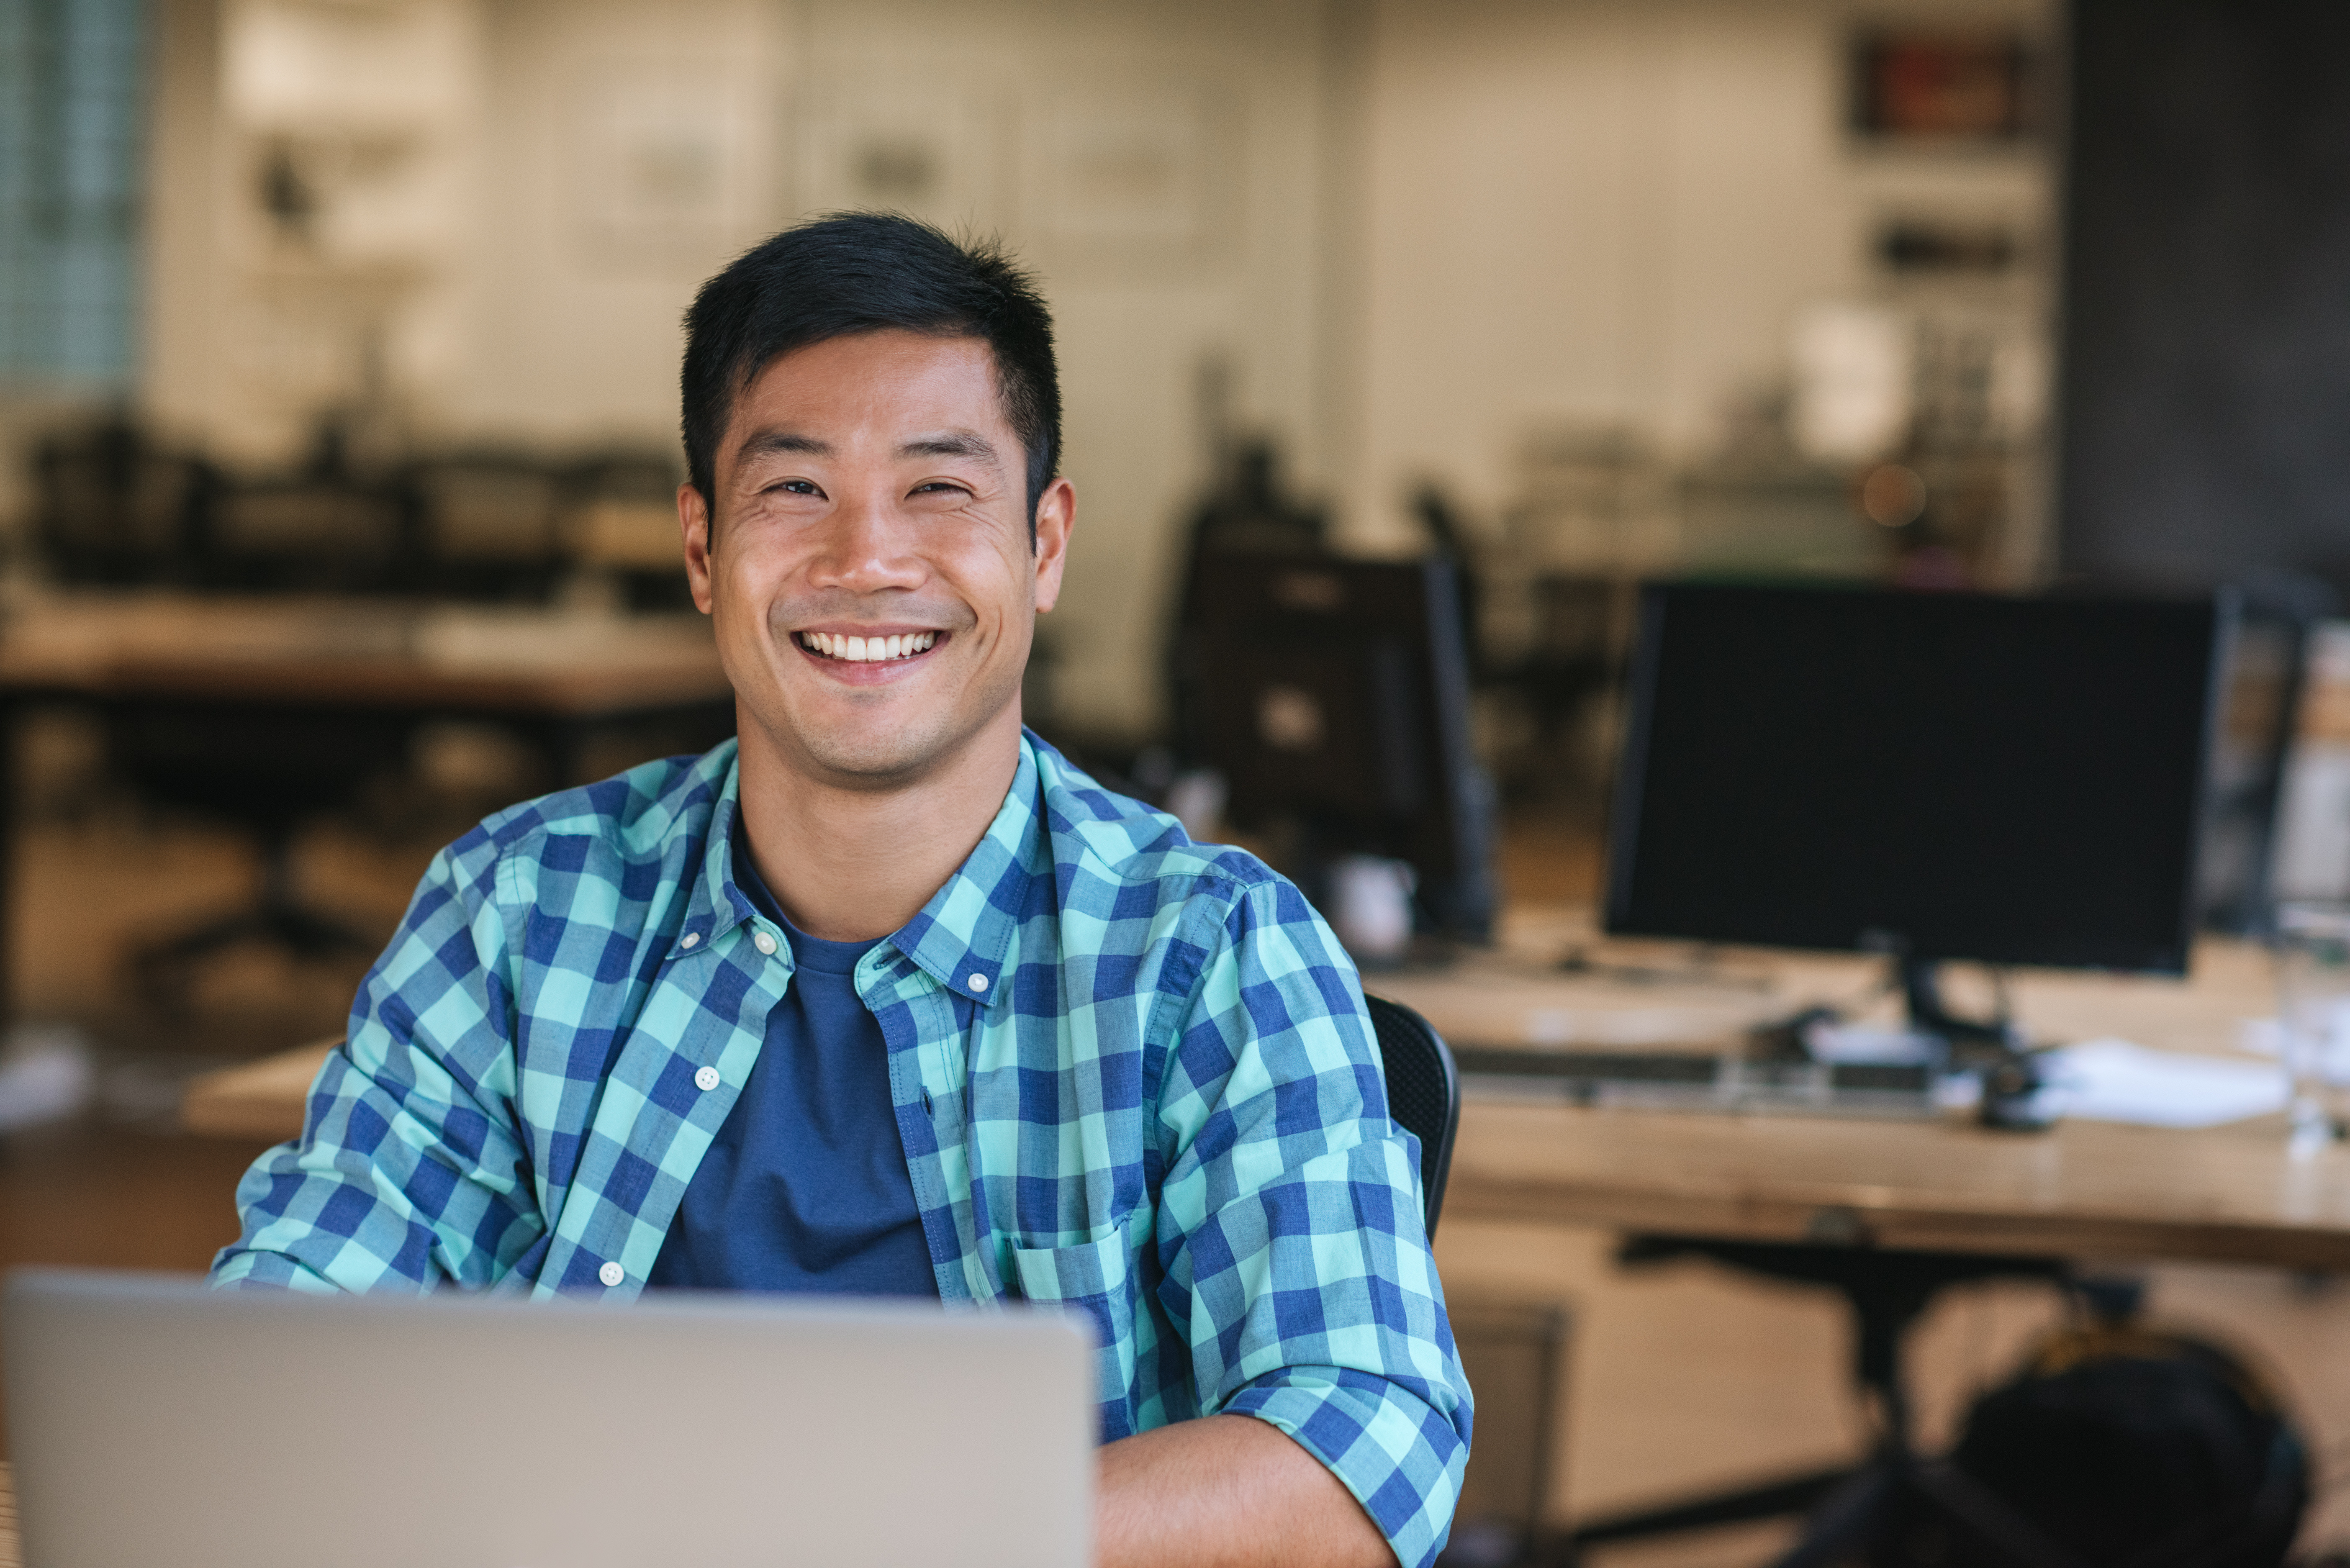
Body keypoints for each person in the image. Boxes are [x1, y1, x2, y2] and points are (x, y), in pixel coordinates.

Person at [211, 212, 1472, 1568]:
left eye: (940, 488)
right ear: (702, 550)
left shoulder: (1212, 949)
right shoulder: (513, 913)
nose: (866, 558)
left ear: (1044, 545)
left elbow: (1361, 1447)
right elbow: (285, 1342)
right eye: (795, 490)